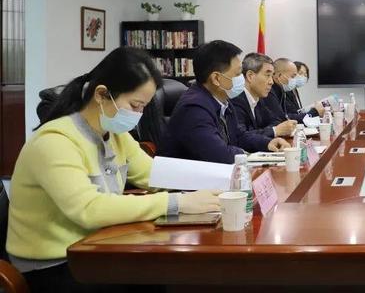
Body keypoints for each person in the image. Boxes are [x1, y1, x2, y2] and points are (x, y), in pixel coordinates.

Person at [6, 47, 220, 293]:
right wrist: (177, 203)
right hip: (54, 264)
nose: (139, 115)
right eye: (135, 105)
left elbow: (155, 173)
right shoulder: (55, 142)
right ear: (101, 94)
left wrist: (225, 178)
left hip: (98, 246)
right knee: (166, 278)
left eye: (144, 107)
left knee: (172, 274)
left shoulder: (115, 134)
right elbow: (89, 209)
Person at [160, 40, 290, 163]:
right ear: (216, 78)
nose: (242, 79)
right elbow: (219, 154)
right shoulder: (194, 108)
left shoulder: (223, 101)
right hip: (188, 178)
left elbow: (239, 136)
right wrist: (252, 156)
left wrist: (267, 143)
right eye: (238, 74)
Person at [230, 53, 296, 138]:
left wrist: (272, 130)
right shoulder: (236, 100)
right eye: (268, 75)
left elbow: (276, 120)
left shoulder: (258, 99)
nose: (271, 82)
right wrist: (275, 131)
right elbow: (242, 137)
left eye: (272, 76)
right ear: (250, 76)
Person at [265, 58, 325, 123]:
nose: (295, 80)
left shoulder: (281, 90)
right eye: (293, 77)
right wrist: (314, 112)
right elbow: (283, 118)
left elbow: (285, 116)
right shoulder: (269, 91)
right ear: (279, 76)